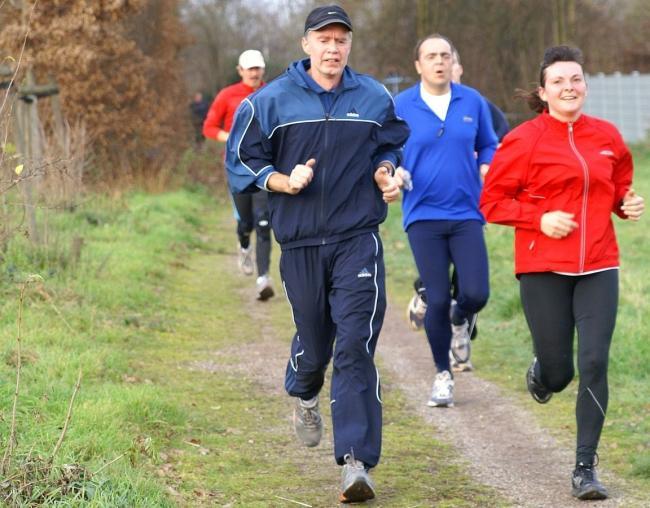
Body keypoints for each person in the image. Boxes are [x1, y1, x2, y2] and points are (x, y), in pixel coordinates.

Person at [225, 5, 409, 503]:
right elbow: (242, 159)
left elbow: (390, 143)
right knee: (315, 338)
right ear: (306, 44)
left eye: (341, 40)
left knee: (354, 343)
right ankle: (304, 389)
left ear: (349, 45)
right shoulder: (271, 100)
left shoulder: (372, 95)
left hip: (357, 238)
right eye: (323, 39)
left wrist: (386, 171)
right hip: (301, 240)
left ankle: (356, 462)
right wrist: (283, 181)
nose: (333, 48)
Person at [480, 45, 644, 500]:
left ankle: (585, 468)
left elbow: (617, 188)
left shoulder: (607, 136)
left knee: (594, 362)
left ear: (585, 86)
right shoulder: (524, 140)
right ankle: (543, 373)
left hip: (599, 262)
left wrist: (626, 205)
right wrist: (540, 219)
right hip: (543, 265)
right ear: (543, 91)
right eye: (559, 81)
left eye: (576, 79)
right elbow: (492, 202)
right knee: (560, 373)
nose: (568, 87)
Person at [394, 34, 497, 407]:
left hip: (467, 211)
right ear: (418, 65)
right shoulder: (401, 105)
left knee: (475, 293)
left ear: (453, 62)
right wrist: (395, 171)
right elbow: (388, 151)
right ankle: (442, 374)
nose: (439, 61)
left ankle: (461, 319)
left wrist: (487, 162)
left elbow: (488, 141)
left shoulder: (472, 100)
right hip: (423, 215)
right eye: (431, 56)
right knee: (436, 298)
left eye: (445, 55)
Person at [203, 49, 274, 300]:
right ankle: (244, 244)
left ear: (263, 70)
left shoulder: (272, 92)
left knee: (264, 221)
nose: (254, 73)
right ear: (240, 70)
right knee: (247, 222)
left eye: (258, 68)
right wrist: (232, 138)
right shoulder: (227, 95)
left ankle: (263, 278)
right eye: (250, 69)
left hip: (266, 166)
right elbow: (209, 128)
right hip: (238, 168)